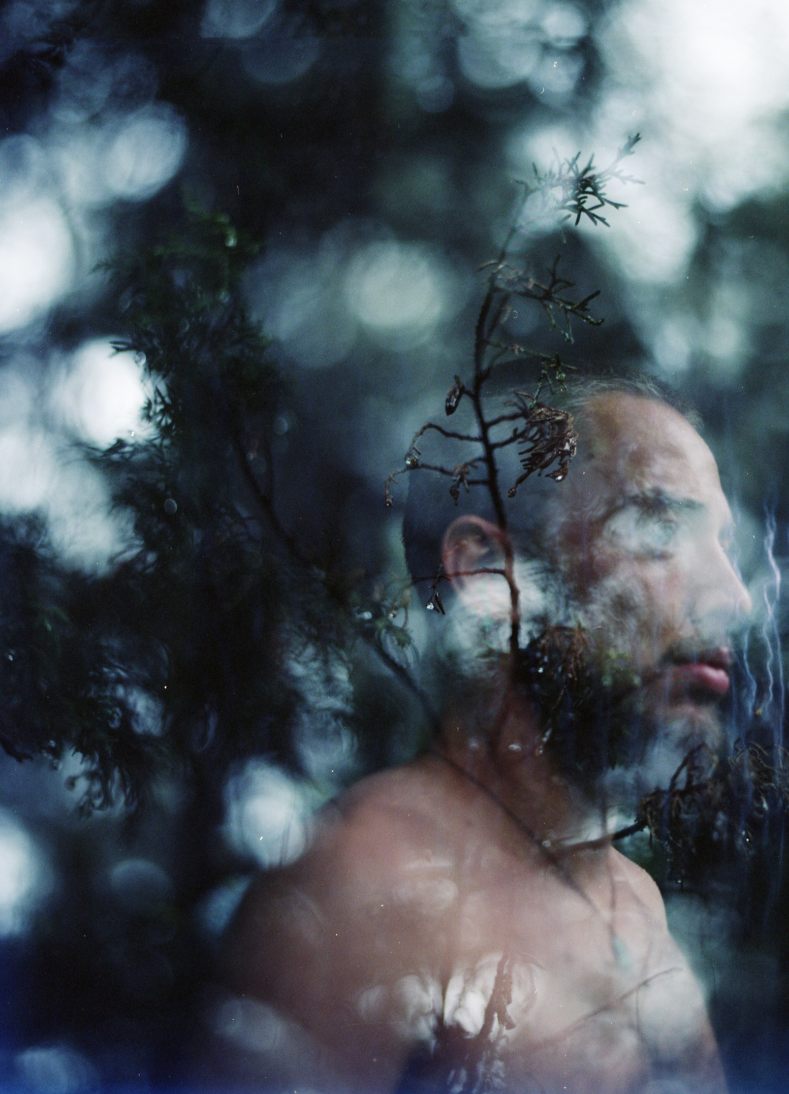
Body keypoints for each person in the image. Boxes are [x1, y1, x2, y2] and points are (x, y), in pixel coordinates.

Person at [219, 379, 752, 1093]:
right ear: (488, 574)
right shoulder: (361, 890)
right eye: (658, 527)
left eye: (721, 542)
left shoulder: (634, 901)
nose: (733, 596)